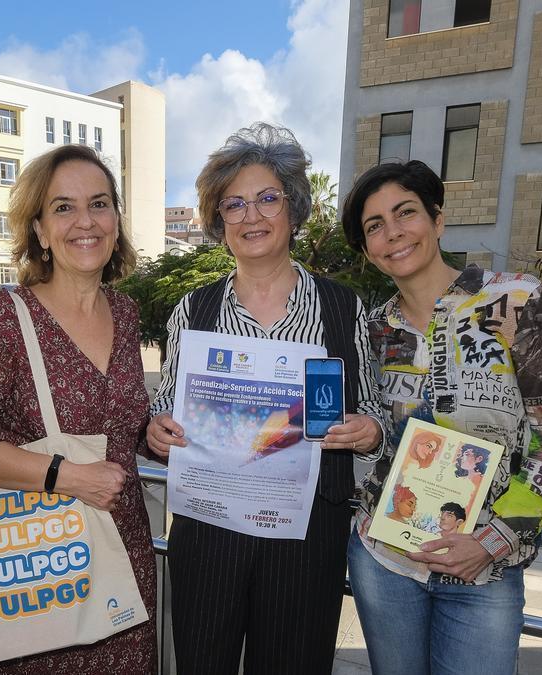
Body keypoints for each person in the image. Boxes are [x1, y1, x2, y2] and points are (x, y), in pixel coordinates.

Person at [146, 123, 385, 674]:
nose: (251, 216)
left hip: (305, 537)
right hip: (210, 530)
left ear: (294, 210)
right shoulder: (193, 310)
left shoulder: (342, 307)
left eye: (267, 199)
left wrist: (367, 431)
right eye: (234, 205)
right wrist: (157, 433)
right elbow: (165, 413)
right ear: (218, 221)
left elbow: (373, 416)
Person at [343, 160, 542, 674]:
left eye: (405, 213)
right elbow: (378, 433)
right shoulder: (373, 328)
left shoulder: (519, 301)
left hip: (484, 572)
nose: (393, 233)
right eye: (374, 226)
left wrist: (489, 542)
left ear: (437, 220)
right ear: (367, 250)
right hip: (384, 560)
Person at [0, 144, 156, 673]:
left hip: (123, 555)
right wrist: (66, 476)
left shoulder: (126, 313)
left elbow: (116, 421)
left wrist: (152, 431)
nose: (85, 222)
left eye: (99, 204)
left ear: (116, 220)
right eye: (63, 207)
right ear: (39, 230)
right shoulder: (7, 316)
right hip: (41, 564)